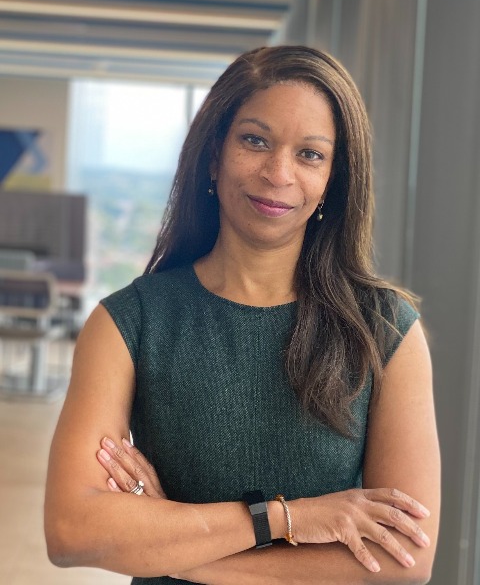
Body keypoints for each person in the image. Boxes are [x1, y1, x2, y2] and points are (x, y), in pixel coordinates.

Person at [44, 45, 440, 584]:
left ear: (334, 179)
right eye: (255, 140)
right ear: (214, 155)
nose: (278, 173)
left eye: (310, 154)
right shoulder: (129, 323)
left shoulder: (386, 328)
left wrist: (175, 544)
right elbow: (71, 530)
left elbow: (404, 558)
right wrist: (285, 519)